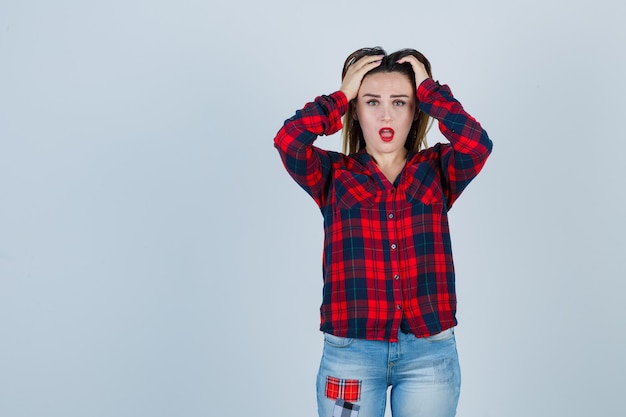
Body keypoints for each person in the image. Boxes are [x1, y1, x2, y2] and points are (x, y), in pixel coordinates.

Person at [273, 47, 493, 417]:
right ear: (356, 112)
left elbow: (477, 143)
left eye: (400, 102)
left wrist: (429, 90)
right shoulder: (333, 174)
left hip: (429, 354)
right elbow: (288, 140)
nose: (386, 114)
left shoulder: (438, 168)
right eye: (371, 102)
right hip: (351, 355)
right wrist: (339, 97)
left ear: (415, 110)